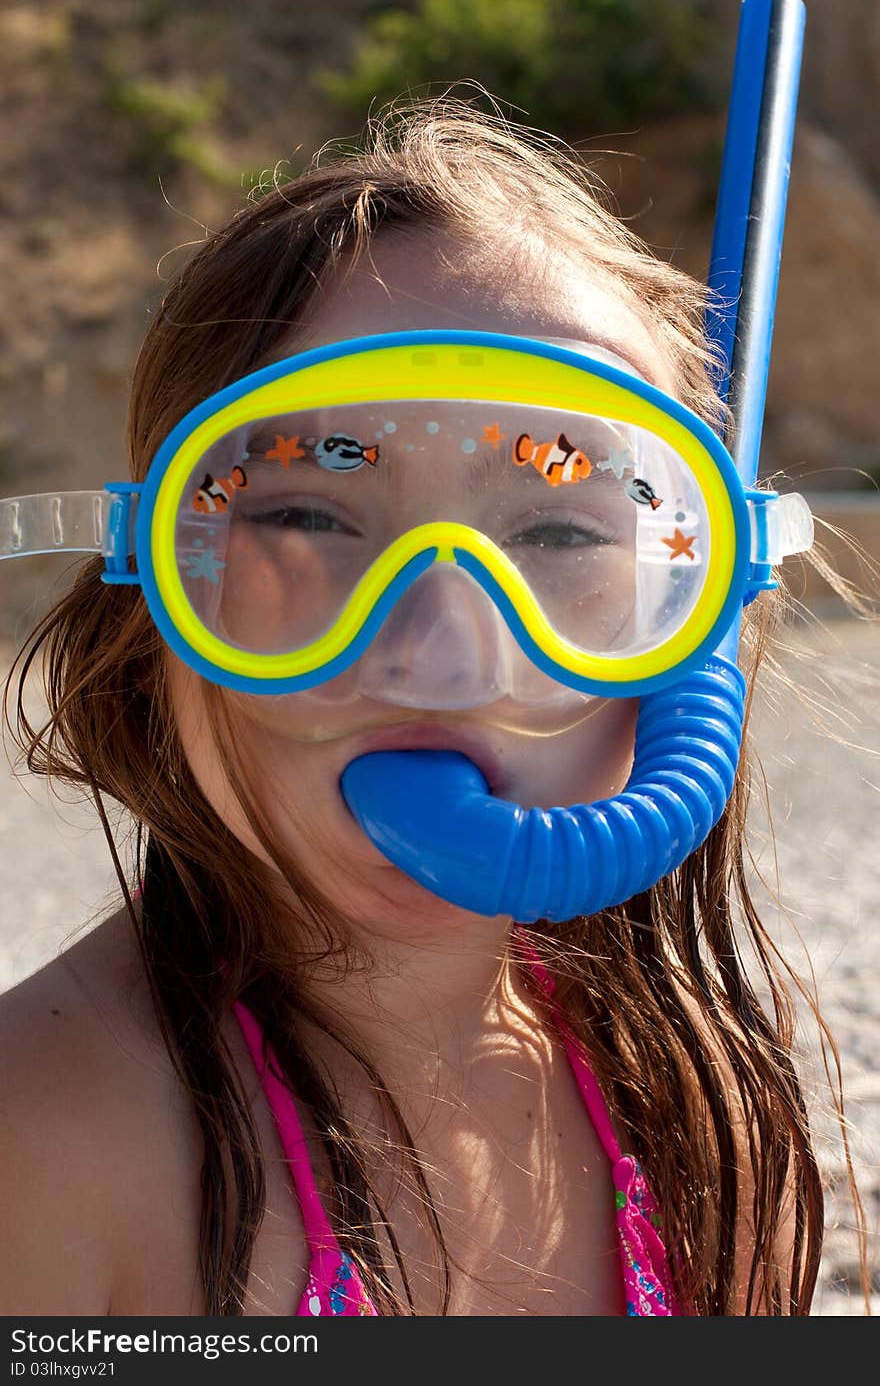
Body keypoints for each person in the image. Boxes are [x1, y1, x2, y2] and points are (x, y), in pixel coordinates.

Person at [0, 100, 863, 1317]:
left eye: (561, 529)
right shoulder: (43, 1145)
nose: (440, 662)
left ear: (693, 639)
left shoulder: (707, 1114)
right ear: (150, 601)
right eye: (307, 514)